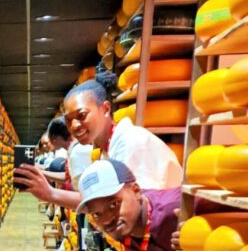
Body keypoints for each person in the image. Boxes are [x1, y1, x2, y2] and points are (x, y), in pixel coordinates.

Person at [14, 69, 182, 205]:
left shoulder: (131, 143)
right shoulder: (105, 149)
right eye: (68, 120)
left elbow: (135, 207)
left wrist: (50, 193)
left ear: (106, 109)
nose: (74, 126)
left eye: (81, 115)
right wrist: (48, 193)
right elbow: (103, 204)